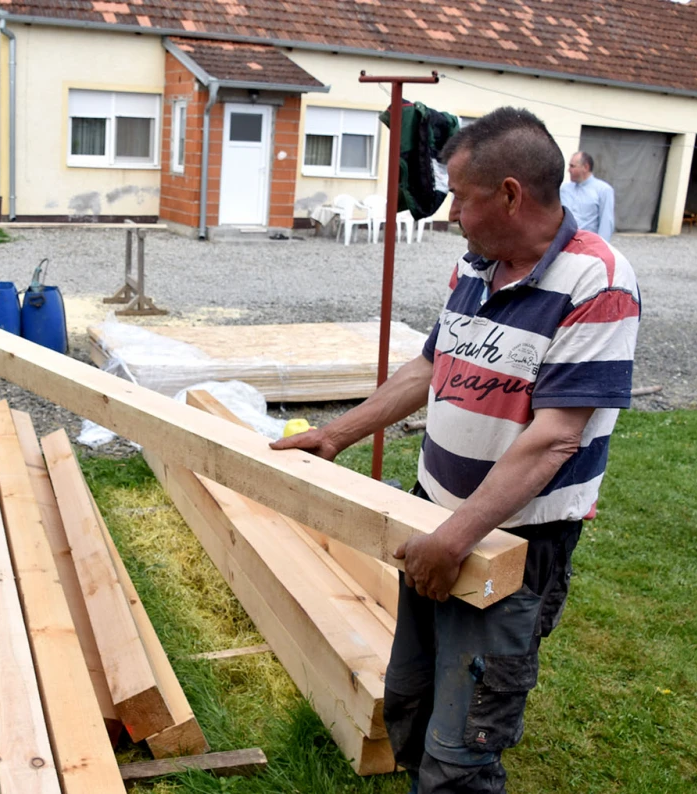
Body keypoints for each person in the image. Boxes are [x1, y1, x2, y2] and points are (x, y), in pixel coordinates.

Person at [272, 107, 640, 793]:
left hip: (512, 541)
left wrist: (457, 537)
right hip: (433, 515)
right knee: (408, 699)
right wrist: (337, 433)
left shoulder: (599, 283)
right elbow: (427, 369)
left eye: (461, 198)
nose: (449, 214)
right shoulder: (475, 266)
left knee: (462, 745)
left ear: (509, 194)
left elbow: (556, 435)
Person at [560, 151, 615, 241]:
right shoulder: (564, 189)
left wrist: (601, 248)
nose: (568, 170)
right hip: (564, 244)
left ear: (586, 167)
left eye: (572, 166)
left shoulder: (603, 190)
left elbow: (606, 224)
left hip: (586, 245)